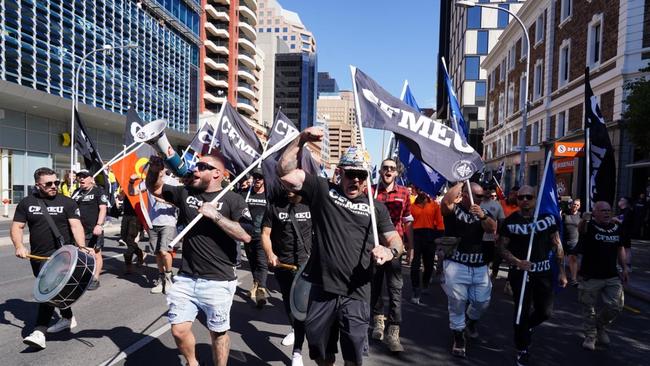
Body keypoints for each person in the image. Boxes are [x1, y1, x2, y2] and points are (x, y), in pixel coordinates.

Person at [278, 132, 403, 366]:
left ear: (366, 177)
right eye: (350, 174)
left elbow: (396, 240)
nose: (355, 180)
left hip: (356, 293)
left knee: (353, 358)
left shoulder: (376, 209)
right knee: (321, 353)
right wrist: (302, 139)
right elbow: (285, 173)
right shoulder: (322, 190)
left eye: (361, 175)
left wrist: (389, 252)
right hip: (322, 288)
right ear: (340, 173)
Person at [147, 153, 252, 366]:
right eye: (196, 165)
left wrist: (216, 216)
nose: (195, 169)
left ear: (217, 174)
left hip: (219, 280)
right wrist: (155, 170)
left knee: (218, 333)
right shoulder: (186, 192)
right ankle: (192, 363)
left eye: (202, 166)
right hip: (186, 277)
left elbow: (246, 235)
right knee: (178, 330)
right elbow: (155, 188)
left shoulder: (233, 199)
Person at [11, 167, 90, 349]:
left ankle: (39, 332)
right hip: (38, 256)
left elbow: (76, 226)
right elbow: (17, 227)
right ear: (38, 185)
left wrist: (82, 246)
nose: (54, 186)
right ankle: (68, 317)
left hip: (63, 257)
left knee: (49, 291)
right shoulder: (26, 203)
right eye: (49, 184)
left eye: (57, 182)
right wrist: (19, 246)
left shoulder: (67, 202)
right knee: (56, 291)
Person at [497, 185, 567, 366]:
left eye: (529, 197)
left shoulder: (547, 219)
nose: (525, 200)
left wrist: (562, 271)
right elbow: (502, 247)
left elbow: (557, 244)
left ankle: (527, 326)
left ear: (536, 198)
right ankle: (522, 348)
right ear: (517, 200)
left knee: (545, 312)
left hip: (543, 272)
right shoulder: (511, 222)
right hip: (521, 273)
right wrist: (517, 261)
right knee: (521, 311)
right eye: (521, 197)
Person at [440, 182, 496, 358]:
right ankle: (458, 336)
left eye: (482, 197)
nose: (480, 199)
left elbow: (492, 228)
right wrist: (462, 180)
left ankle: (470, 321)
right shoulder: (454, 210)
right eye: (476, 196)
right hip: (456, 264)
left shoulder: (483, 212)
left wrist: (482, 216)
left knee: (482, 301)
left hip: (479, 266)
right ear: (464, 195)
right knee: (457, 302)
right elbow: (445, 202)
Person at [261, 190, 312, 366]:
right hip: (283, 266)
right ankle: (296, 330)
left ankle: (297, 351)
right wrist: (270, 253)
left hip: (307, 266)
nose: (289, 190)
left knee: (304, 308)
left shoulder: (311, 203)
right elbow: (265, 234)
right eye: (285, 185)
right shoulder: (275, 206)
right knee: (290, 306)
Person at [369, 158, 413, 352]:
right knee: (375, 287)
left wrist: (411, 247)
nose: (388, 171)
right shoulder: (370, 192)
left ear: (397, 173)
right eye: (385, 168)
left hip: (395, 249)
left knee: (395, 289)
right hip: (374, 247)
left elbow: (407, 221)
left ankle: (393, 332)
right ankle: (378, 322)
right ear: (380, 172)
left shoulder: (404, 193)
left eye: (392, 168)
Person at [577, 201, 628, 350]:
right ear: (595, 212)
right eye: (603, 210)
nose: (606, 213)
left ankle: (600, 325)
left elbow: (621, 249)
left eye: (609, 210)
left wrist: (625, 268)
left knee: (616, 306)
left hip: (611, 275)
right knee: (588, 308)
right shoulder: (590, 226)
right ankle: (590, 335)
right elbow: (581, 230)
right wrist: (584, 219)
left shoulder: (616, 228)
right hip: (591, 276)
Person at [129, 159, 178, 294]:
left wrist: (164, 200)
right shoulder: (148, 182)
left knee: (164, 251)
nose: (155, 169)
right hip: (153, 222)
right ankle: (161, 278)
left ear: (163, 169)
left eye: (158, 167)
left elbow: (180, 203)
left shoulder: (172, 182)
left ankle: (168, 278)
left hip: (168, 222)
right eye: (152, 167)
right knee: (157, 253)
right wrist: (131, 182)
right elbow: (132, 192)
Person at [71, 169, 108, 290]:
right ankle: (84, 276)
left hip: (94, 229)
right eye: (79, 176)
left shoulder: (98, 191)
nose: (81, 179)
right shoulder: (76, 192)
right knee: (82, 253)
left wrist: (99, 224)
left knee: (96, 253)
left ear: (91, 179)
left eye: (84, 176)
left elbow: (103, 209)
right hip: (79, 229)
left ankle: (95, 278)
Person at [409, 188, 444, 305]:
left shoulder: (434, 205)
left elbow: (439, 221)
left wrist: (439, 236)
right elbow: (408, 223)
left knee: (429, 265)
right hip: (416, 236)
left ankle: (425, 284)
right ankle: (415, 288)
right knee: (415, 264)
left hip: (430, 236)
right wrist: (407, 240)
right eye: (420, 189)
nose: (422, 191)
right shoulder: (412, 206)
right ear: (417, 191)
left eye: (424, 189)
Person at [245, 168, 269, 307]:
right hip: (248, 234)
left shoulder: (268, 194)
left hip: (262, 234)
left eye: (260, 177)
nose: (257, 180)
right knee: (252, 261)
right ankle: (255, 285)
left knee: (262, 262)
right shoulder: (247, 193)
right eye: (255, 177)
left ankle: (261, 289)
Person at [118, 190, 146, 274]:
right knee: (124, 238)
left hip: (136, 216)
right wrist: (121, 194)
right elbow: (121, 197)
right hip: (126, 215)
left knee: (130, 239)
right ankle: (140, 253)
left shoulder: (141, 186)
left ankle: (128, 264)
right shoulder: (125, 185)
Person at [480, 188, 505, 280]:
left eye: (489, 189)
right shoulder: (477, 202)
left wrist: (498, 233)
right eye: (486, 189)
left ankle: (485, 277)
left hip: (490, 238)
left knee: (488, 259)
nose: (487, 191)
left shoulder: (496, 205)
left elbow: (501, 220)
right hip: (476, 237)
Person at [563, 199, 582, 286]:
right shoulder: (564, 213)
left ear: (579, 206)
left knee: (573, 258)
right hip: (563, 239)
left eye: (577, 205)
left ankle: (574, 279)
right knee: (559, 259)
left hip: (574, 240)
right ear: (571, 204)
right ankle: (561, 276)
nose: (575, 206)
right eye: (574, 204)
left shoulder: (580, 215)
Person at [616, 197, 634, 271]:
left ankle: (626, 266)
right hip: (622, 232)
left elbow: (623, 222)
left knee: (624, 249)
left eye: (621, 200)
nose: (619, 201)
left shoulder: (628, 211)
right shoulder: (622, 211)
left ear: (624, 202)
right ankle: (624, 266)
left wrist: (615, 219)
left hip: (625, 232)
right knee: (625, 248)